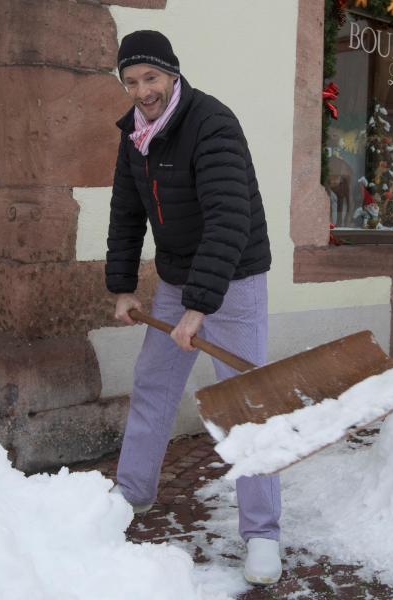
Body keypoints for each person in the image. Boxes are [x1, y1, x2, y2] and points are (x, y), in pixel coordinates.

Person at [105, 30, 281, 585]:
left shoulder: (213, 124)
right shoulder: (135, 135)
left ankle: (262, 535)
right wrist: (123, 288)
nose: (142, 91)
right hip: (181, 280)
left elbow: (231, 218)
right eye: (131, 81)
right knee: (153, 385)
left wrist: (199, 307)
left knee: (244, 405)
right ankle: (130, 496)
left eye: (150, 78)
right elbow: (126, 215)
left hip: (235, 278)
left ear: (172, 75)